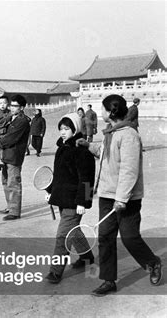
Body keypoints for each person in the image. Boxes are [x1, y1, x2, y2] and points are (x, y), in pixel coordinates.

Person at [77, 94, 162, 296]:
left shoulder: (129, 135)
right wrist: (88, 146)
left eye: (103, 110)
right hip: (107, 195)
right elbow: (107, 154)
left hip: (127, 199)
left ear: (111, 112)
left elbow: (129, 170)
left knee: (130, 237)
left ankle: (152, 262)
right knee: (106, 238)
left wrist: (122, 199)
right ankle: (108, 281)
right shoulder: (111, 133)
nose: (101, 113)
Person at [44, 113, 95, 284]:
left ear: (75, 129)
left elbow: (87, 179)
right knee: (74, 230)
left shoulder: (82, 151)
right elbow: (58, 175)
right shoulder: (62, 148)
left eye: (66, 129)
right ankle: (87, 256)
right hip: (62, 198)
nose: (62, 132)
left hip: (75, 201)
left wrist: (84, 202)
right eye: (61, 129)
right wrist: (51, 191)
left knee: (63, 235)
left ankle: (55, 271)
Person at [0, 95, 31, 220]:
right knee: (5, 181)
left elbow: (12, 137)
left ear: (22, 107)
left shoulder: (22, 121)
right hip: (6, 154)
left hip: (14, 155)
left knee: (14, 183)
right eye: (11, 105)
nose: (12, 108)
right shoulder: (11, 118)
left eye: (15, 106)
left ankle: (15, 211)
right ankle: (10, 206)